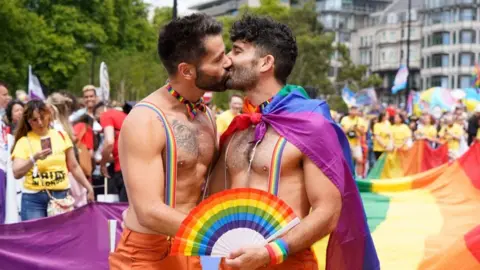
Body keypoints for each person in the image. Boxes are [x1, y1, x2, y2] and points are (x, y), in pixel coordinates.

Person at [209, 15, 378, 270]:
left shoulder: (310, 125)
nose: (228, 59)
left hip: (287, 262)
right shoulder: (238, 129)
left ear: (266, 62)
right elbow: (212, 202)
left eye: (237, 51)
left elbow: (329, 211)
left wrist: (271, 252)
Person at [109, 13, 232, 269]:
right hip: (148, 252)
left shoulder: (206, 113)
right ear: (186, 70)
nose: (228, 62)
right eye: (218, 58)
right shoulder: (146, 119)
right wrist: (221, 235)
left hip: (193, 246)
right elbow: (148, 210)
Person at [11, 100, 94, 221]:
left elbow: (74, 166)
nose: (40, 123)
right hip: (34, 199)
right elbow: (16, 172)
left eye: (42, 117)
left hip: (61, 196)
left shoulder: (61, 135)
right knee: (36, 238)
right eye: (34, 120)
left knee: (61, 237)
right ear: (28, 122)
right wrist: (33, 159)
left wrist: (88, 187)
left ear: (48, 115)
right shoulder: (24, 141)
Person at [93, 102, 127, 202]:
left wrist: (103, 165)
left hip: (123, 170)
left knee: (123, 207)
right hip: (134, 166)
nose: (101, 124)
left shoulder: (106, 115)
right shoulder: (124, 116)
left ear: (98, 113)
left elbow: (109, 142)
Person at [340, 105, 367, 176]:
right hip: (346, 144)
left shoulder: (360, 120)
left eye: (355, 110)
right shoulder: (344, 119)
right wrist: (350, 128)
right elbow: (342, 132)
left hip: (357, 143)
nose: (354, 112)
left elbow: (363, 133)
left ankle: (359, 177)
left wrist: (356, 128)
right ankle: (347, 176)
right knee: (346, 161)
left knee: (360, 160)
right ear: (349, 111)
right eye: (352, 110)